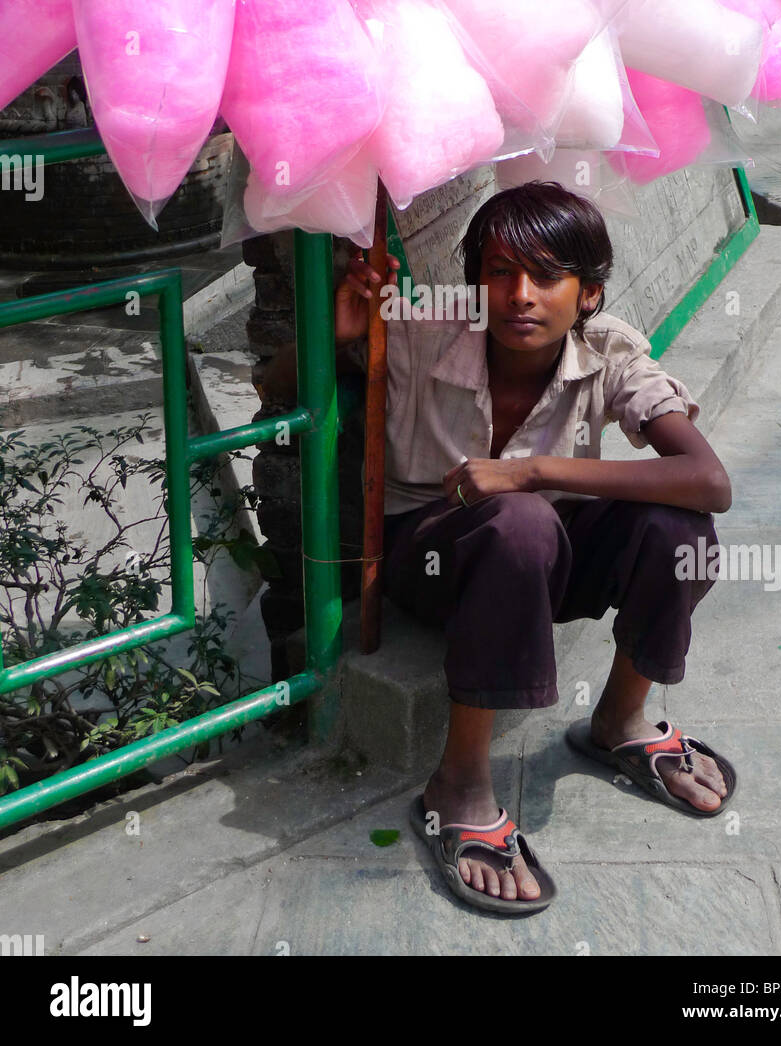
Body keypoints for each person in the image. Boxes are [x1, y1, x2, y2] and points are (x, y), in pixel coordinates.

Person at [260, 182, 736, 915]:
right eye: (498, 271)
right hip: (428, 556)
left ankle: (619, 722)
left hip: (545, 551)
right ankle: (457, 781)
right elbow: (273, 384)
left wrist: (533, 470)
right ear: (473, 282)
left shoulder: (609, 350)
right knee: (518, 523)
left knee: (680, 534)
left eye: (546, 277)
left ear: (587, 294)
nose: (519, 295)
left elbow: (706, 481)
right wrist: (336, 330)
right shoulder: (418, 328)